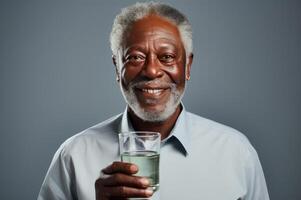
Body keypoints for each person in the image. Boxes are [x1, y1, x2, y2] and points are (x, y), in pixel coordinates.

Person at [38, 2, 270, 200]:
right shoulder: (75, 155)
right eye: (135, 57)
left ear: (187, 66)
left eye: (167, 57)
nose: (151, 71)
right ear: (117, 68)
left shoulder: (236, 153)